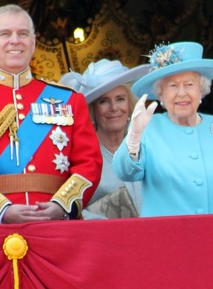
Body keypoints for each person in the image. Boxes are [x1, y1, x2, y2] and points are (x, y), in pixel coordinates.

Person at [0, 4, 102, 223]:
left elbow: (89, 163)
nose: (15, 40)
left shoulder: (70, 100)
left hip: (58, 226)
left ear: (33, 43)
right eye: (5, 34)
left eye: (22, 34)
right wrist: (1, 211)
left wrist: (61, 205)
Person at [112, 41, 213, 216]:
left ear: (201, 90)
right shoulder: (147, 129)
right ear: (161, 94)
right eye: (173, 86)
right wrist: (134, 136)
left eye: (189, 84)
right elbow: (124, 171)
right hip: (166, 241)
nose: (182, 93)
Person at [61, 59, 150, 219]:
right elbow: (69, 208)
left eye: (120, 99)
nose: (114, 108)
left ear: (130, 105)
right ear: (93, 111)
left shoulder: (148, 147)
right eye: (104, 101)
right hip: (103, 238)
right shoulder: (81, 154)